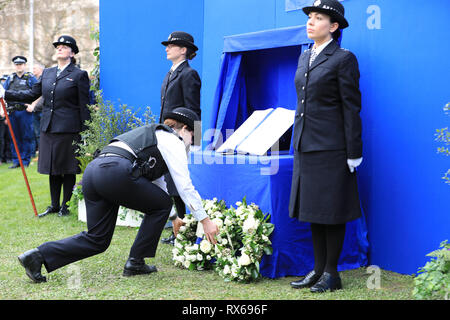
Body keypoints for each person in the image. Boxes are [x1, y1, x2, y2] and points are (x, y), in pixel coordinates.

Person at [15, 107, 219, 283]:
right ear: (184, 129)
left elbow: (159, 185)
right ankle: (136, 262)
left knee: (97, 240)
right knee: (161, 204)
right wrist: (205, 220)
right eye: (192, 139)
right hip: (115, 173)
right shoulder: (172, 140)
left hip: (94, 173)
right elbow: (184, 186)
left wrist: (174, 218)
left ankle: (37, 256)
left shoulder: (154, 136)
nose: (190, 146)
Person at [288, 0, 363, 293]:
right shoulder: (305, 57)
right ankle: (318, 269)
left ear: (333, 26)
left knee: (332, 211)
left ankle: (332, 273)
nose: (310, 21)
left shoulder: (344, 58)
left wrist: (353, 151)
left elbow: (351, 107)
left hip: (332, 147)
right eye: (310, 17)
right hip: (306, 145)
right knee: (314, 211)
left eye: (318, 18)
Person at [0, 36, 90, 217]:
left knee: (67, 167)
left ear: (72, 53)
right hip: (48, 127)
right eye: (58, 46)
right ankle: (54, 205)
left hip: (69, 128)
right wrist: (6, 93)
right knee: (52, 167)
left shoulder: (79, 74)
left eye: (64, 47)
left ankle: (65, 206)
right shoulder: (48, 73)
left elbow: (84, 105)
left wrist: (85, 132)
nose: (60, 49)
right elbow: (32, 94)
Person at [160, 31, 202, 245]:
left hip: (181, 136)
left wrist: (192, 140)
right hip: (168, 135)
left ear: (183, 49)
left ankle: (187, 231)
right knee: (171, 184)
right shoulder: (170, 74)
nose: (167, 48)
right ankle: (180, 230)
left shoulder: (189, 74)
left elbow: (193, 109)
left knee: (181, 183)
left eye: (171, 45)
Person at [2, 56, 37, 169]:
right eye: (17, 64)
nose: (19, 66)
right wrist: (5, 112)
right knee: (14, 137)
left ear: (24, 65)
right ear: (14, 66)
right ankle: (16, 161)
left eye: (21, 64)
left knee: (26, 136)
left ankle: (25, 160)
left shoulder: (30, 78)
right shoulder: (10, 78)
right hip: (12, 112)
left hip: (25, 112)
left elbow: (38, 93)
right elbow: (3, 94)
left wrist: (33, 105)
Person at [26, 62, 45, 158]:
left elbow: (42, 96)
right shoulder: (34, 80)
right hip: (34, 111)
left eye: (35, 68)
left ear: (41, 69)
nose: (33, 70)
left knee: (42, 133)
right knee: (36, 133)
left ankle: (42, 154)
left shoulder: (45, 80)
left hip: (41, 110)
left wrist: (33, 106)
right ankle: (38, 154)